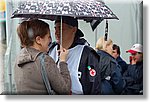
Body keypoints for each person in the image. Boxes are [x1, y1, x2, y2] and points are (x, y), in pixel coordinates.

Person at [14, 19, 71, 95]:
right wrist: (63, 61)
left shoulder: (19, 58)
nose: (50, 41)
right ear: (38, 40)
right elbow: (65, 89)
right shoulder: (45, 60)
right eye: (48, 37)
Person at [48, 16, 100, 95]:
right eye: (55, 28)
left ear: (74, 30)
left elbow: (94, 88)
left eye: (61, 28)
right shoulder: (50, 50)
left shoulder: (87, 54)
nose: (56, 32)